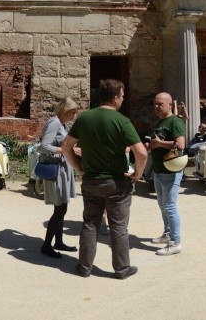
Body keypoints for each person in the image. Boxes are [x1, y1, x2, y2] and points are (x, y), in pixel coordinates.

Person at [61, 79, 147, 280]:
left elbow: (66, 146)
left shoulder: (84, 119)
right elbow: (141, 153)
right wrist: (138, 174)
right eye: (123, 96)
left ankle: (84, 267)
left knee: (90, 224)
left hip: (91, 181)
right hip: (117, 182)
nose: (123, 100)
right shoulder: (121, 120)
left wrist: (79, 168)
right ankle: (121, 269)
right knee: (118, 226)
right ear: (116, 97)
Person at [37, 97, 81, 259]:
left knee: (62, 208)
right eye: (72, 112)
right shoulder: (54, 123)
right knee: (59, 209)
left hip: (62, 169)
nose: (74, 115)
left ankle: (58, 242)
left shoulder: (61, 124)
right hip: (56, 170)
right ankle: (46, 245)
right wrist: (67, 150)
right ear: (64, 110)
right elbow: (44, 146)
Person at [148, 92, 187, 257]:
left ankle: (176, 242)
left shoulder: (175, 121)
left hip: (171, 171)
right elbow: (158, 143)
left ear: (170, 105)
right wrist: (151, 145)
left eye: (160, 104)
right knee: (162, 205)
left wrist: (158, 143)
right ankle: (168, 233)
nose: (157, 107)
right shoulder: (161, 122)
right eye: (155, 104)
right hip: (159, 170)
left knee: (170, 206)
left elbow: (180, 145)